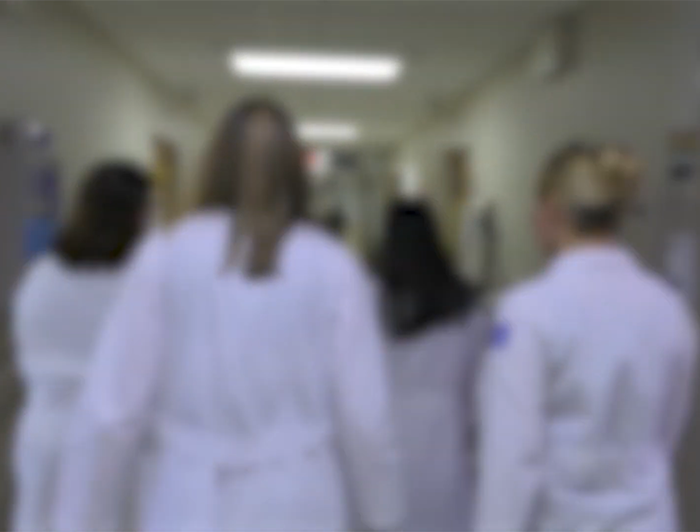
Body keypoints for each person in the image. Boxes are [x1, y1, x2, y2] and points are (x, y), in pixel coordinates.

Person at [52, 99, 402, 532]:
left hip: (185, 500)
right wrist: (384, 517)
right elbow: (366, 419)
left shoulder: (165, 255)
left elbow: (111, 413)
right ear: (295, 170)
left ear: (213, 162)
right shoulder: (333, 265)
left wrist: (83, 521)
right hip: (299, 499)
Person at [476, 143, 698, 532]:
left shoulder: (526, 311)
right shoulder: (670, 308)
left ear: (550, 211)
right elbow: (667, 429)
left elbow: (512, 458)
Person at [11, 162, 151, 532]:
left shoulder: (40, 278)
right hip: (113, 443)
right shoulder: (139, 284)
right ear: (137, 216)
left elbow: (27, 350)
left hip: (45, 433)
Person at [378, 202, 490, 532]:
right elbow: (482, 392)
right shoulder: (466, 310)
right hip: (448, 449)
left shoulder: (369, 305)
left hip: (386, 451)